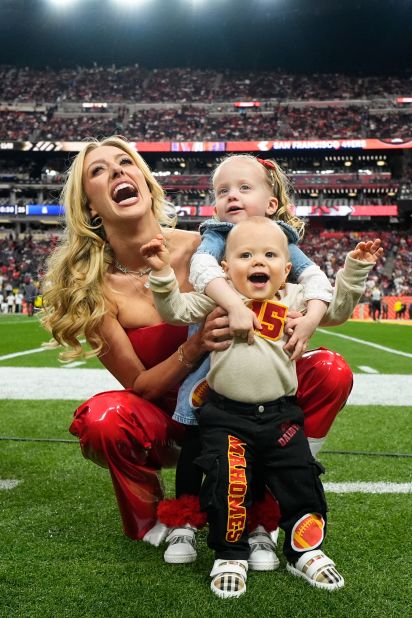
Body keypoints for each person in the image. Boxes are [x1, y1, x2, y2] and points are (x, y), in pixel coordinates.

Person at [41, 136, 354, 563]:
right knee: (103, 420)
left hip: (242, 407)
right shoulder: (90, 289)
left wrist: (301, 319)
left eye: (125, 162)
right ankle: (157, 520)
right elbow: (138, 385)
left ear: (147, 184)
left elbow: (286, 289)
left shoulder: (217, 242)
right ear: (91, 205)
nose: (116, 172)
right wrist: (195, 345)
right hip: (169, 425)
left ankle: (274, 498)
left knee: (332, 369)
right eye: (98, 171)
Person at [141, 217, 382, 598]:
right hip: (225, 415)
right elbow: (174, 310)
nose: (258, 262)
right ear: (224, 268)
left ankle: (305, 550)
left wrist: (353, 271)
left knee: (301, 479)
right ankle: (230, 554)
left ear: (287, 269)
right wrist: (162, 273)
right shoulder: (217, 298)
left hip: (280, 414)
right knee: (227, 483)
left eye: (270, 254)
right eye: (246, 254)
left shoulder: (295, 298)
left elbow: (336, 311)